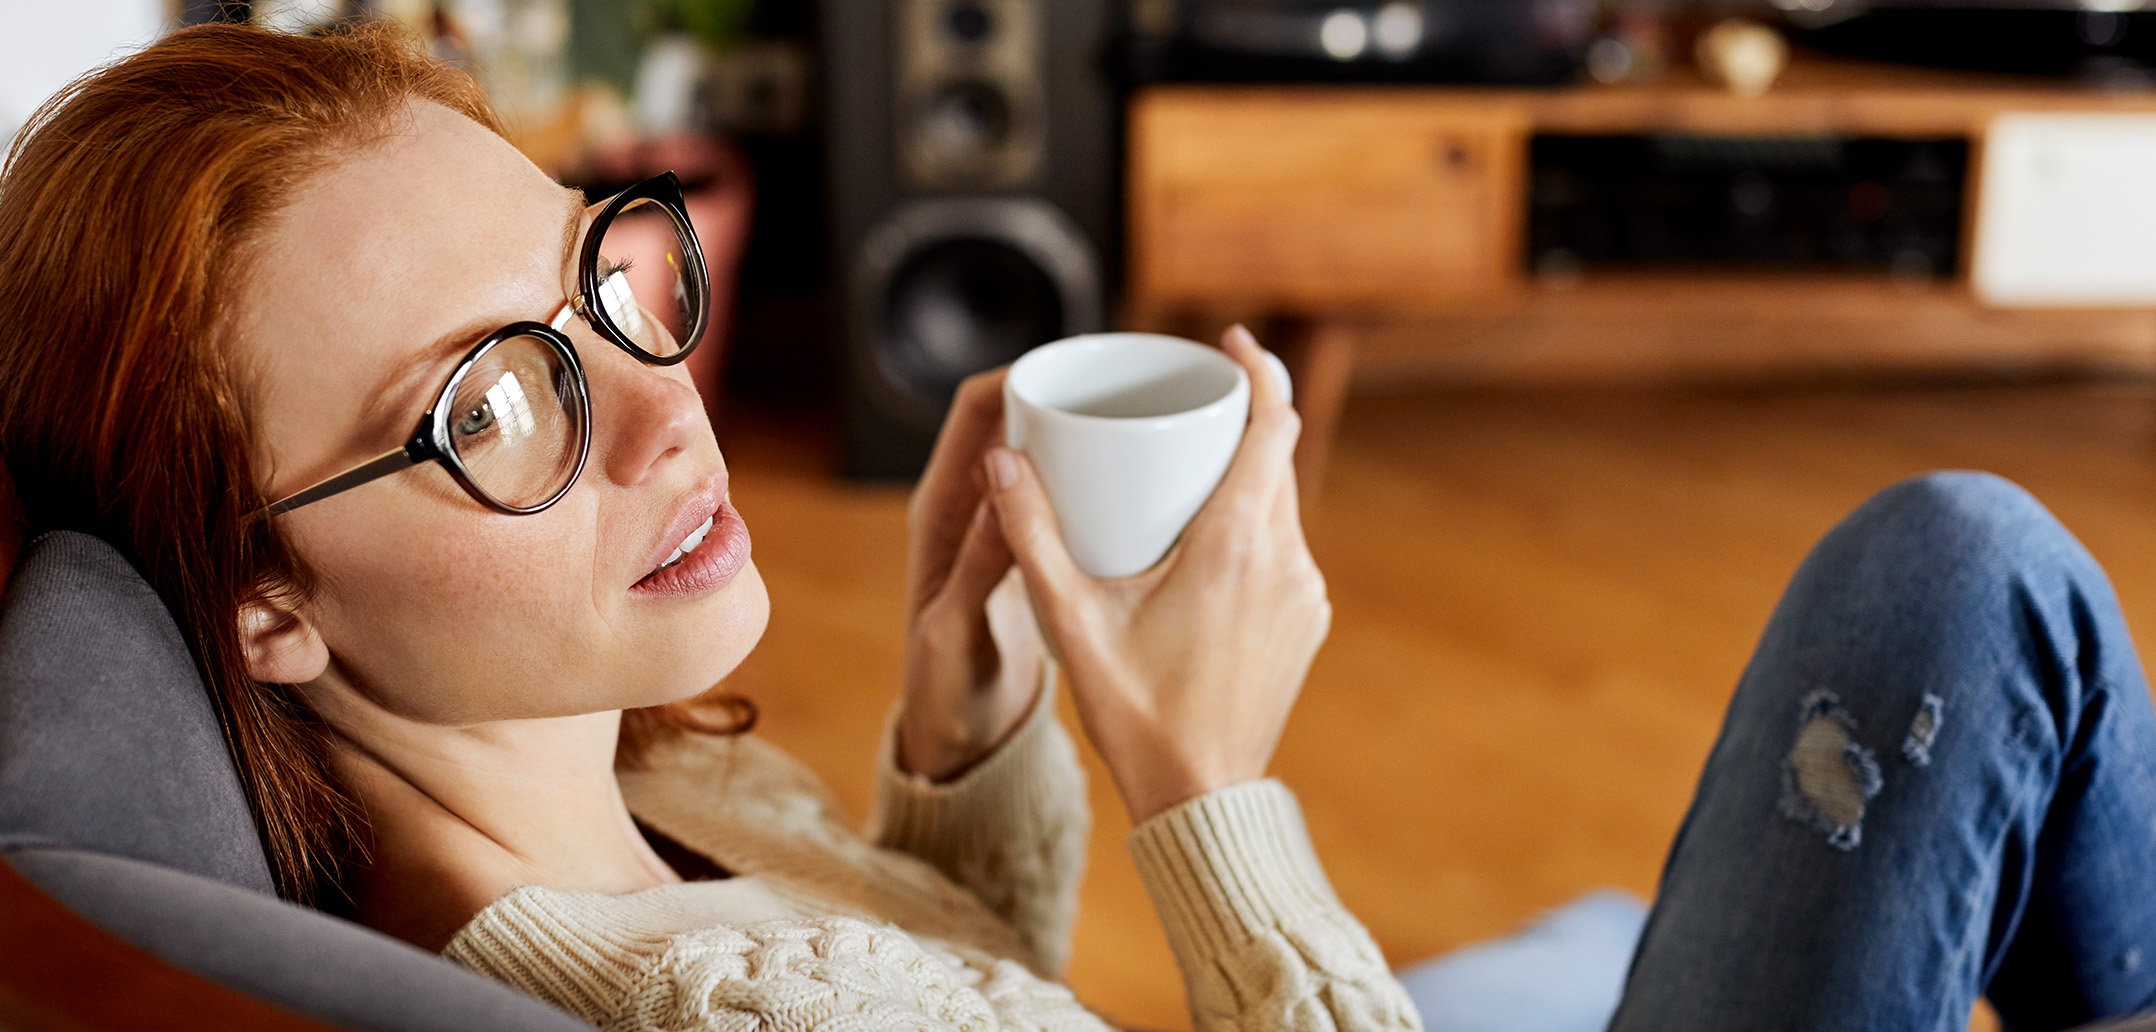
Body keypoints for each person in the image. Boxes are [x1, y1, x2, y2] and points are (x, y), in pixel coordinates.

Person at [1, 21, 2152, 1032]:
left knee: (1692, 840)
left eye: (606, 274)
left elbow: (953, 988)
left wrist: (972, 727)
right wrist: (1203, 788)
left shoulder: (583, 820)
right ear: (260, 597)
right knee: (1956, 580)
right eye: (491, 402)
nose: (667, 403)